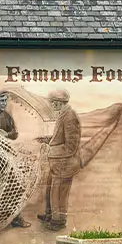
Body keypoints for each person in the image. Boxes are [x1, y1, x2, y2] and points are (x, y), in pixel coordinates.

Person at [34, 88, 81, 231]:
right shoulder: (64, 114)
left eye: (53, 102)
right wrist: (48, 140)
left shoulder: (69, 116)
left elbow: (71, 146)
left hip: (64, 163)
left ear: (59, 102)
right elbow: (61, 138)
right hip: (58, 162)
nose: (51, 105)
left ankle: (58, 221)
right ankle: (50, 214)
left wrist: (51, 149)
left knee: (59, 192)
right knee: (50, 189)